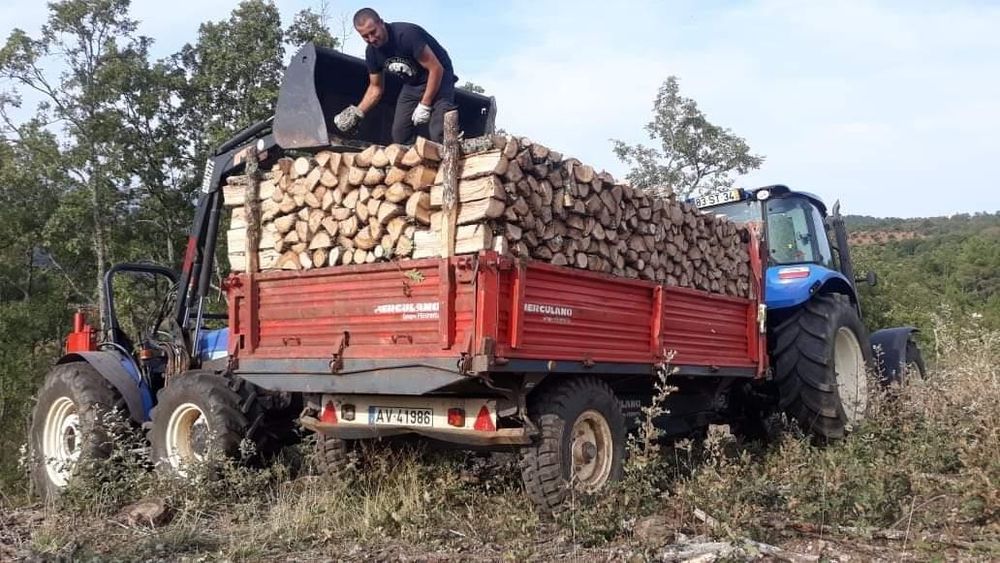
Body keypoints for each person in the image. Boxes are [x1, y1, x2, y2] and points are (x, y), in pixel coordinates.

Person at [334, 8, 457, 144]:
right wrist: (357, 112)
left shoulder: (406, 35)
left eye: (373, 32)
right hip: (413, 84)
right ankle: (417, 163)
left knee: (438, 131)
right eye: (365, 36)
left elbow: (436, 68)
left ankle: (449, 160)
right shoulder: (372, 53)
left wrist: (425, 104)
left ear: (381, 22)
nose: (372, 39)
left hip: (440, 77)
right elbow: (375, 88)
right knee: (400, 134)